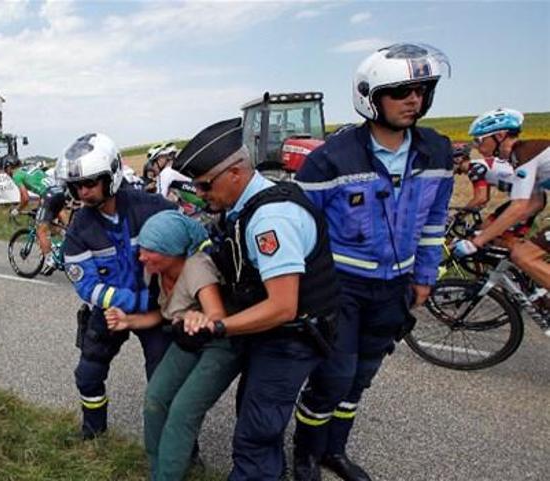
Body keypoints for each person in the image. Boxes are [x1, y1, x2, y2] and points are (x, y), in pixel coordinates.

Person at [292, 42, 454, 481]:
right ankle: (305, 455)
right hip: (340, 289)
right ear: (371, 96)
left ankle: (334, 452)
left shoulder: (437, 152)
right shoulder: (329, 159)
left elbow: (435, 220)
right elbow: (301, 231)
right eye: (402, 91)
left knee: (361, 377)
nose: (414, 100)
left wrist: (424, 275)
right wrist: (306, 294)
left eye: (421, 90)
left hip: (394, 289)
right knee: (333, 377)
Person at [173, 118, 340, 481]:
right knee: (257, 417)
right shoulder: (246, 206)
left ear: (235, 172)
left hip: (290, 338)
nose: (200, 194)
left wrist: (219, 326)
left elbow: (283, 305)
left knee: (254, 438)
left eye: (204, 185)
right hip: (278, 334)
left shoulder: (269, 220)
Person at [105, 210, 241, 481]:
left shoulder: (196, 267)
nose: (141, 257)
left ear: (172, 251)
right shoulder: (156, 271)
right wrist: (129, 321)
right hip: (188, 339)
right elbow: (166, 314)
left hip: (221, 344)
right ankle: (159, 470)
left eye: (149, 251)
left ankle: (168, 476)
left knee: (183, 410)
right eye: (141, 249)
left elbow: (217, 316)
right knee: (155, 400)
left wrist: (201, 316)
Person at [61, 133, 176, 440]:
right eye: (75, 186)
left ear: (111, 175)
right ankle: (93, 433)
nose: (82, 192)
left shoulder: (153, 207)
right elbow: (85, 284)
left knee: (165, 383)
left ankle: (181, 449)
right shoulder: (79, 228)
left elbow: (187, 245)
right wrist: (124, 302)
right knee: (87, 376)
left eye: (89, 183)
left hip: (158, 311)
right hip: (110, 311)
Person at [454, 108, 550, 291]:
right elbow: (535, 202)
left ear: (500, 135)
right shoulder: (520, 156)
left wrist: (477, 241)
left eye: (479, 140)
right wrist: (489, 232)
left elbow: (520, 206)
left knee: (523, 255)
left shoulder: (525, 154)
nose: (477, 147)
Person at [7, 158, 65, 274]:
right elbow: (41, 189)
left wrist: (17, 210)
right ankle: (68, 238)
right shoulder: (29, 168)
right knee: (62, 225)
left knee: (41, 230)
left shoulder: (16, 175)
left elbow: (25, 198)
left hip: (49, 196)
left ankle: (50, 260)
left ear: (8, 168)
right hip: (58, 192)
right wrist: (40, 207)